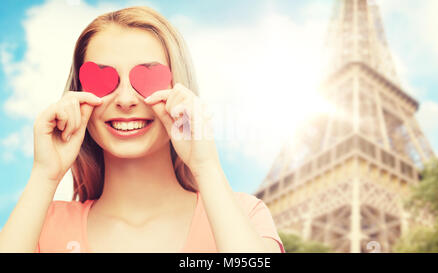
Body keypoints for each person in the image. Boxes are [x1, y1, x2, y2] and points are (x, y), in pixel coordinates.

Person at [0, 6, 284, 253]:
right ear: (78, 96)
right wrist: (44, 175)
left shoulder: (243, 216)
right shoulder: (41, 226)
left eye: (148, 78)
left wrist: (206, 166)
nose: (125, 100)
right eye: (104, 80)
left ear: (179, 90)